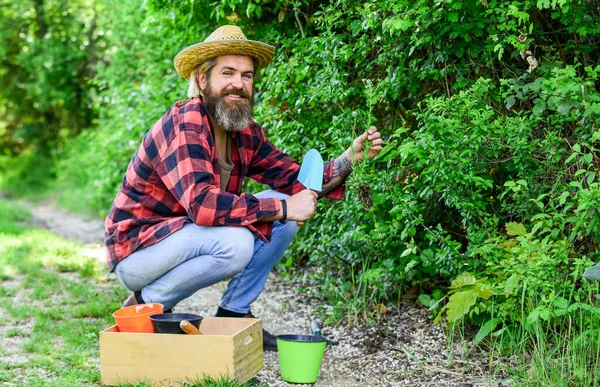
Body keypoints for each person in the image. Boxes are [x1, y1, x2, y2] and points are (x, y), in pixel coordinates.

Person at [104, 25, 382, 350]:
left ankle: (234, 312)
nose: (239, 84)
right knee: (237, 242)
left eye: (247, 75)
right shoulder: (185, 123)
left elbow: (296, 182)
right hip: (138, 251)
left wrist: (348, 159)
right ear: (203, 79)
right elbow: (204, 206)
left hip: (183, 238)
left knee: (283, 207)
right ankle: (144, 304)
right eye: (228, 73)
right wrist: (281, 208)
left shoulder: (244, 131)